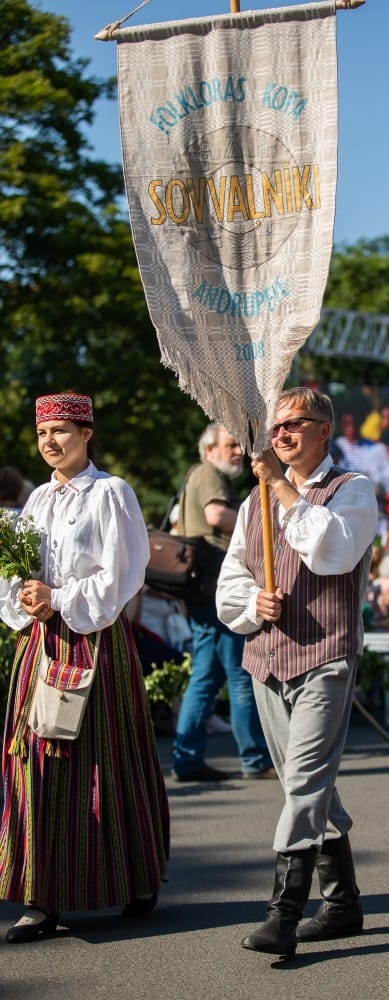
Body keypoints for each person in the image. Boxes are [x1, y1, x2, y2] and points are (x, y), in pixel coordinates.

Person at [0, 391, 169, 943]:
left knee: (103, 757)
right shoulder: (38, 502)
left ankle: (135, 875)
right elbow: (18, 570)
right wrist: (26, 598)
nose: (51, 443)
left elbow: (125, 574)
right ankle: (41, 895)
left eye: (62, 432)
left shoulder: (110, 493)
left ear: (87, 434)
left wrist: (60, 595)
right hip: (43, 643)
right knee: (34, 763)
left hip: (94, 641)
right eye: (43, 434)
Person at [217, 387, 378, 958]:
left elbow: (332, 553)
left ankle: (282, 916)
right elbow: (233, 575)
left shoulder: (353, 490)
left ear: (324, 430)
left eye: (293, 424)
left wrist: (285, 489)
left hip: (327, 655)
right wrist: (250, 603)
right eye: (275, 427)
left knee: (306, 778)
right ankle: (342, 903)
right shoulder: (251, 502)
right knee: (305, 785)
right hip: (266, 658)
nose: (280, 435)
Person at [172, 423, 273, 781]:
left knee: (206, 674)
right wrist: (261, 526)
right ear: (209, 449)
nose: (237, 451)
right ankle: (255, 758)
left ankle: (187, 760)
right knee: (240, 673)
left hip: (201, 590)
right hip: (215, 589)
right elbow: (216, 515)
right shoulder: (208, 474)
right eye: (230, 444)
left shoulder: (196, 475)